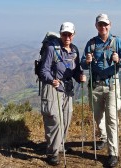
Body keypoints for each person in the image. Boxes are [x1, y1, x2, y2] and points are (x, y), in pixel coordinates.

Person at [80, 13, 121, 167]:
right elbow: (82, 63)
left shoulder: (117, 42)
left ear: (110, 25)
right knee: (97, 115)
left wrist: (119, 60)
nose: (103, 27)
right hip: (95, 85)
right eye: (100, 24)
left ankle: (113, 153)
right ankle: (103, 138)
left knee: (112, 119)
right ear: (96, 26)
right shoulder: (91, 44)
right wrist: (86, 61)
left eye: (105, 24)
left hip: (111, 85)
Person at [39, 22, 86, 166]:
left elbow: (76, 70)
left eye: (69, 34)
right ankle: (52, 153)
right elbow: (43, 70)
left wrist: (80, 77)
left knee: (66, 118)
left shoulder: (74, 51)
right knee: (55, 120)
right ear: (60, 34)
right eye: (64, 34)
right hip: (53, 87)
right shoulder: (52, 49)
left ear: (74, 35)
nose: (67, 37)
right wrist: (51, 80)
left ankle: (60, 145)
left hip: (67, 88)